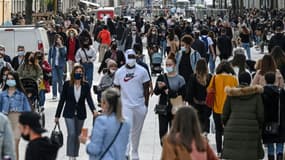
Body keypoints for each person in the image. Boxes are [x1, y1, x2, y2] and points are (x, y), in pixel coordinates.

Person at [54, 65, 98, 160]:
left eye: (81, 72)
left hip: (81, 113)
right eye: (77, 71)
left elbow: (89, 99)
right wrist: (57, 115)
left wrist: (94, 110)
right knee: (72, 133)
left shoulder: (85, 85)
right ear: (73, 73)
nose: (79, 73)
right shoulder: (67, 84)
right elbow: (62, 100)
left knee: (78, 135)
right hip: (69, 113)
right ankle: (71, 156)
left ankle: (75, 155)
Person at [114, 50, 150, 159]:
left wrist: (146, 106)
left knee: (136, 131)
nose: (131, 59)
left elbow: (146, 89)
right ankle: (126, 152)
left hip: (139, 105)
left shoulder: (142, 71)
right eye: (129, 56)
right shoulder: (119, 72)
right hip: (126, 105)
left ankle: (135, 151)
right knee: (127, 128)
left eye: (133, 56)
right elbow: (116, 89)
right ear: (125, 57)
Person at [222, 72, 264, 159]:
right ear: (250, 81)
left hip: (232, 129)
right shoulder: (256, 95)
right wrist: (259, 126)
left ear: (239, 81)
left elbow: (225, 114)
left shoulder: (231, 94)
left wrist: (225, 124)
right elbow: (260, 115)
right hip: (251, 130)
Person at [81, 88, 131, 160]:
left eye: (101, 102)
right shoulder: (126, 123)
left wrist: (86, 141)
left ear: (105, 103)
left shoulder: (101, 121)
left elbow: (94, 149)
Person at [207, 61, 238, 156]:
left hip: (217, 108)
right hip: (229, 110)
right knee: (228, 131)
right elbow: (236, 93)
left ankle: (219, 151)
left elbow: (209, 90)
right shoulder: (233, 79)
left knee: (218, 131)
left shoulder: (215, 78)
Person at [154, 55, 186, 144]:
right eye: (166, 64)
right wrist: (160, 87)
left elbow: (183, 95)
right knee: (162, 132)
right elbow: (156, 92)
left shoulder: (180, 79)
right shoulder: (161, 77)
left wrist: (170, 91)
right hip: (163, 108)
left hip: (175, 108)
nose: (168, 66)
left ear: (174, 65)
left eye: (170, 64)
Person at [0, 71, 31, 160]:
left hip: (18, 121)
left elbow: (27, 109)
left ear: (16, 80)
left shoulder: (21, 95)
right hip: (5, 120)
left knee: (14, 143)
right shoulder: (2, 95)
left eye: (12, 79)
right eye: (8, 79)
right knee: (7, 146)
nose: (10, 81)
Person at [261, 72, 285, 160]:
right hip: (280, 123)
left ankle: (271, 157)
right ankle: (279, 156)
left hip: (267, 123)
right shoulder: (281, 92)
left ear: (265, 80)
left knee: (270, 144)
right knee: (280, 143)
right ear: (275, 80)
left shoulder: (262, 92)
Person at [187, 58, 212, 133]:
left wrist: (191, 102)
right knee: (205, 125)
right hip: (206, 106)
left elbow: (189, 93)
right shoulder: (210, 77)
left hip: (195, 106)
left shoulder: (193, 77)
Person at [48, 34, 67, 100]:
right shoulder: (52, 48)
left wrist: (61, 46)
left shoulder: (64, 47)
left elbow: (64, 55)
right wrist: (49, 65)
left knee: (60, 81)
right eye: (57, 39)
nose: (58, 40)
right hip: (54, 66)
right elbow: (49, 57)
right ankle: (54, 94)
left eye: (59, 39)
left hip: (61, 66)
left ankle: (61, 93)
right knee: (54, 80)